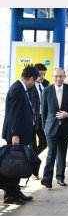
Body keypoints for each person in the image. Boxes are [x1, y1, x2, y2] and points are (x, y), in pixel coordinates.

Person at [0, 65, 40, 205]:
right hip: (15, 135)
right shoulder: (18, 89)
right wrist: (15, 134)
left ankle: (15, 191)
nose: (33, 84)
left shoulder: (20, 88)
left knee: (17, 164)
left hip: (18, 134)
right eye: (34, 81)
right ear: (30, 79)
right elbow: (15, 115)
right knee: (13, 165)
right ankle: (10, 195)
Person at [41, 68, 68, 188]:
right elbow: (43, 111)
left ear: (64, 77)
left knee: (62, 153)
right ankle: (47, 179)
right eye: (56, 76)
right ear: (53, 77)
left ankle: (60, 177)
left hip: (65, 127)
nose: (58, 79)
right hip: (51, 128)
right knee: (51, 153)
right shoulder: (47, 91)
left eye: (60, 76)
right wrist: (45, 128)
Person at [28, 63, 49, 180]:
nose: (42, 77)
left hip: (42, 119)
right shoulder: (29, 86)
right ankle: (34, 172)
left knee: (44, 143)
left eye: (44, 74)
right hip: (31, 120)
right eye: (40, 74)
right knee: (32, 145)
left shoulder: (46, 84)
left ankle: (30, 159)